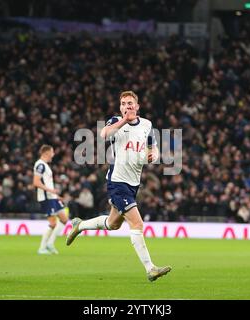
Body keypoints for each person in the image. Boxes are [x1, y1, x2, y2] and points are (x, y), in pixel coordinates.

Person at [66, 90, 172, 282]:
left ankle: (79, 225)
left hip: (133, 184)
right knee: (137, 223)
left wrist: (154, 154)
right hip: (117, 182)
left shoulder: (147, 125)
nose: (127, 106)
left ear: (137, 106)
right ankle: (150, 269)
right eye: (123, 103)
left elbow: (153, 146)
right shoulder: (115, 121)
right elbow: (104, 134)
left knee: (113, 224)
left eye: (130, 103)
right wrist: (123, 120)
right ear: (120, 107)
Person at [33, 145, 68, 255]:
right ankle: (42, 248)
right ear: (46, 152)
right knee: (53, 223)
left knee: (64, 219)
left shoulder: (45, 165)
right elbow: (36, 182)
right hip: (46, 198)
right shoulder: (40, 165)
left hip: (52, 197)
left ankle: (50, 244)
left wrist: (56, 196)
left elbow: (47, 182)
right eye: (52, 152)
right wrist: (50, 191)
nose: (53, 154)